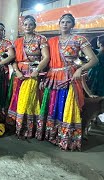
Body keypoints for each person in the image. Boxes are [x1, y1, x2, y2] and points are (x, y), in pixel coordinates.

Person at [39, 13, 98, 151]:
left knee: (67, 107)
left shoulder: (79, 39)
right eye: (62, 22)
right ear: (59, 24)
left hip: (70, 78)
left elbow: (94, 59)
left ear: (73, 25)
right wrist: (43, 77)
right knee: (53, 105)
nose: (65, 24)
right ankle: (52, 135)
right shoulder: (51, 41)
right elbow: (46, 60)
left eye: (68, 22)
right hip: (53, 78)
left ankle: (66, 137)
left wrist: (80, 70)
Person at [7, 16, 50, 139]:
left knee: (30, 101)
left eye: (30, 24)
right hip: (19, 75)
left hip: (33, 75)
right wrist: (16, 71)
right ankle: (18, 128)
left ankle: (30, 129)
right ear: (22, 26)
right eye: (25, 24)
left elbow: (46, 57)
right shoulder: (18, 41)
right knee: (17, 99)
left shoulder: (41, 39)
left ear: (34, 26)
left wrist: (37, 70)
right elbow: (13, 59)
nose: (27, 27)